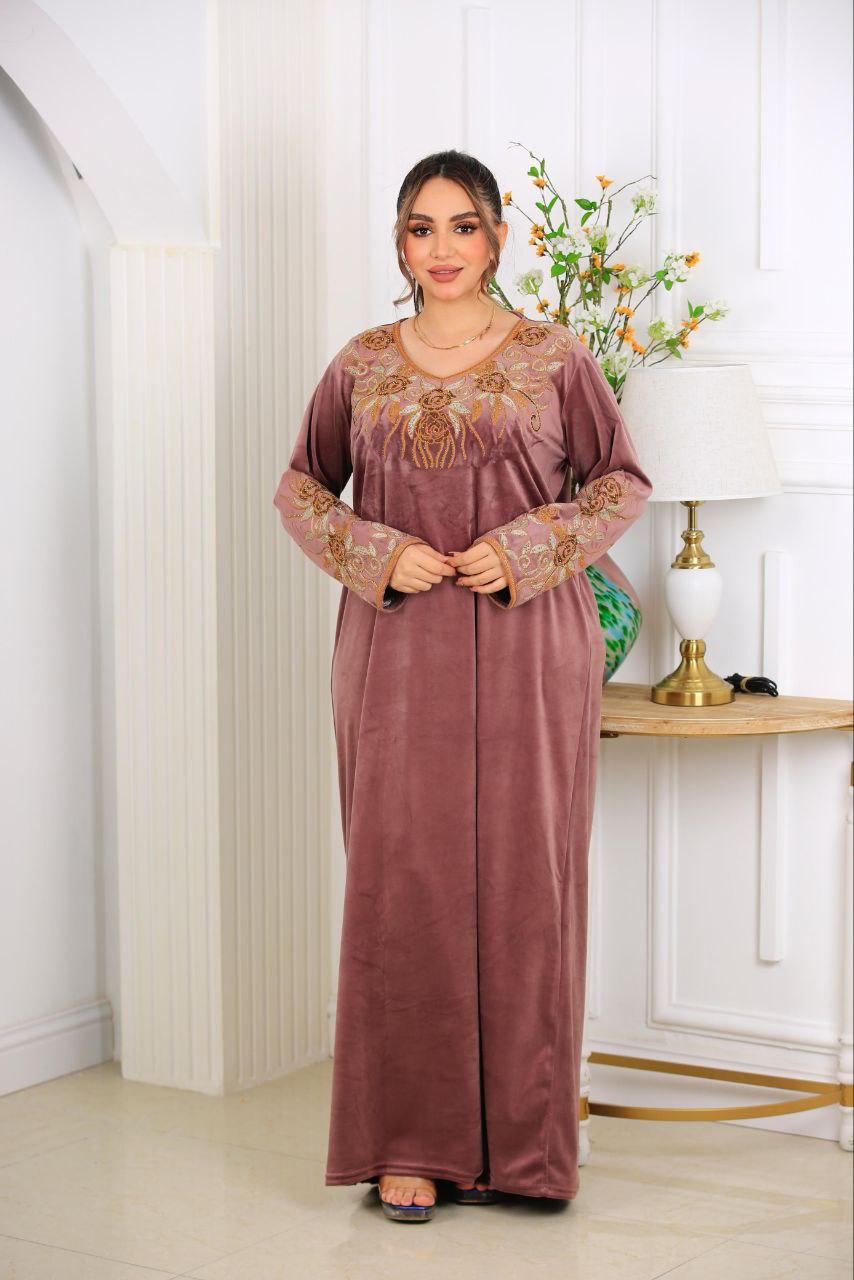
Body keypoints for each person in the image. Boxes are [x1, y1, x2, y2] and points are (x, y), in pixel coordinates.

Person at [273, 149, 653, 1223]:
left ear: (496, 237)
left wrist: (526, 546)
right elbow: (301, 488)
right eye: (419, 228)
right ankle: (410, 1143)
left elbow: (619, 481)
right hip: (396, 655)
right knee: (403, 886)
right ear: (399, 244)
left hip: (531, 647)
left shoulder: (553, 357)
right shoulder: (360, 363)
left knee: (529, 882)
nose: (440, 248)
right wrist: (377, 551)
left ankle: (523, 1151)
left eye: (461, 225)